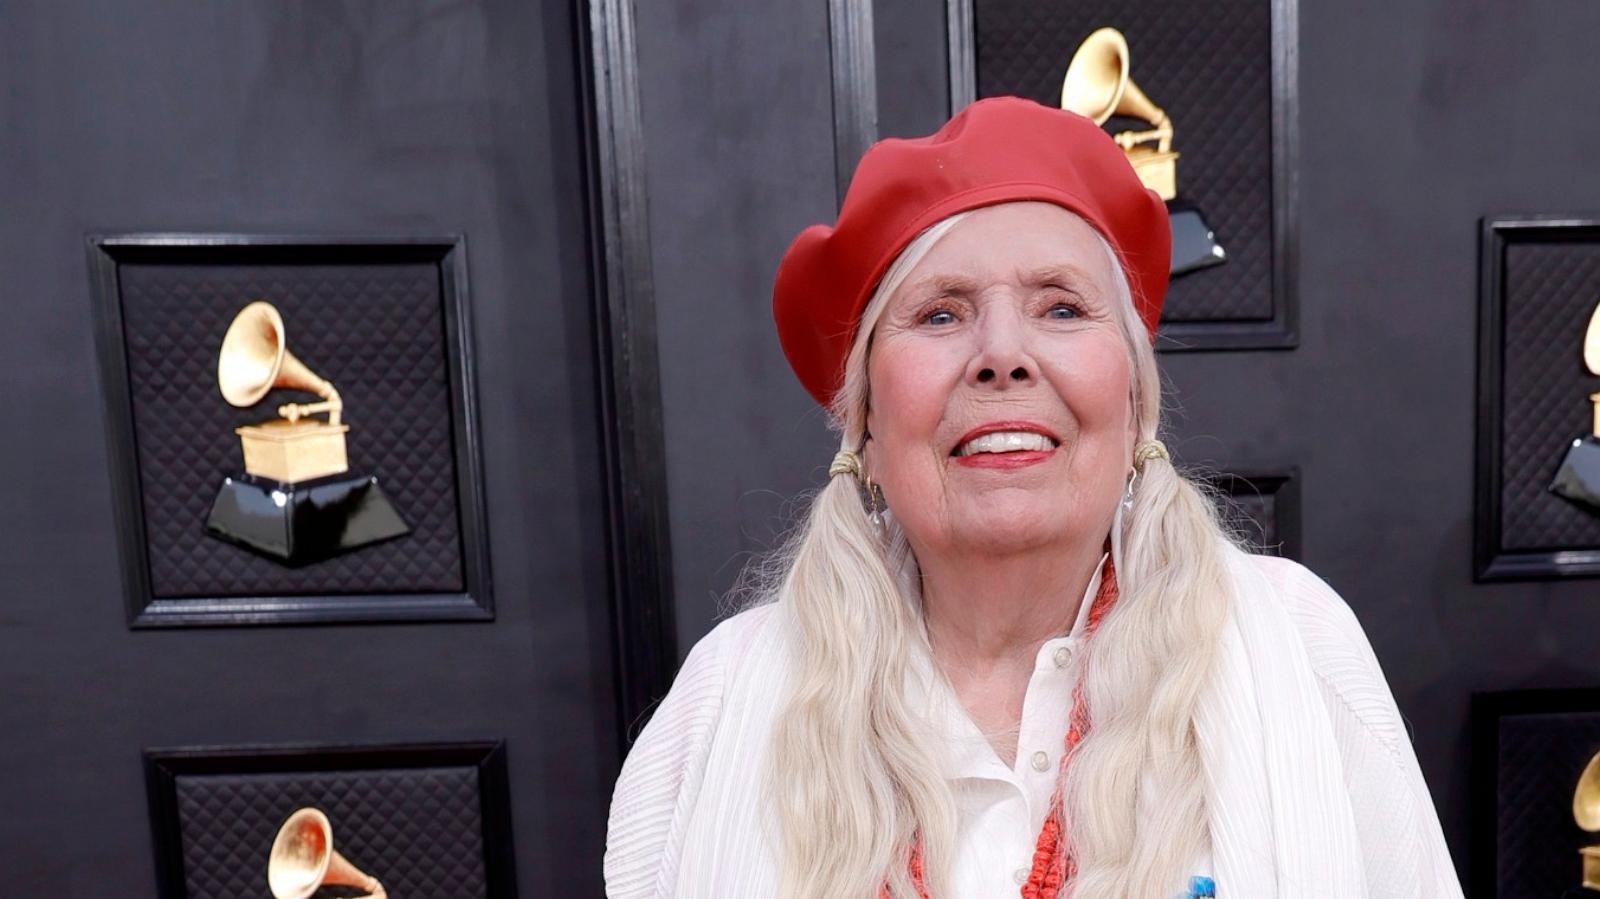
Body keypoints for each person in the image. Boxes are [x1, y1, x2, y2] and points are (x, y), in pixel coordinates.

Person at [604, 97, 1464, 899]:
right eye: (941, 315)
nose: (1002, 354)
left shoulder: (1298, 644)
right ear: (864, 423)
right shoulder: (724, 700)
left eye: (1060, 307)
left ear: (1132, 405)